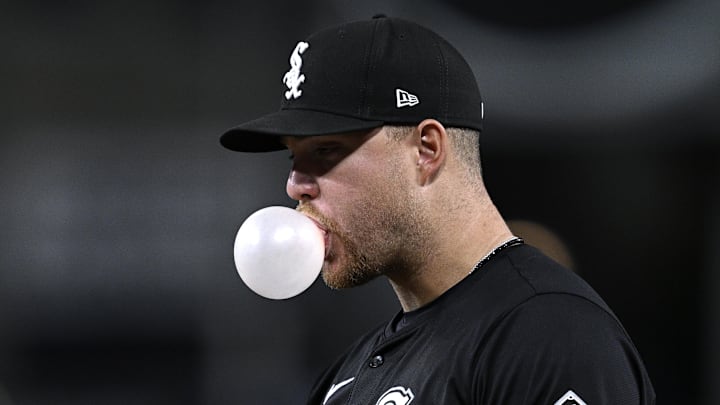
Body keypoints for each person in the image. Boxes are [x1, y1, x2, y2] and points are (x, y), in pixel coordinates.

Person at [220, 15, 656, 405]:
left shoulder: (548, 335)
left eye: (326, 150)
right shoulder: (346, 380)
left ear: (427, 149)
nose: (295, 184)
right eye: (292, 158)